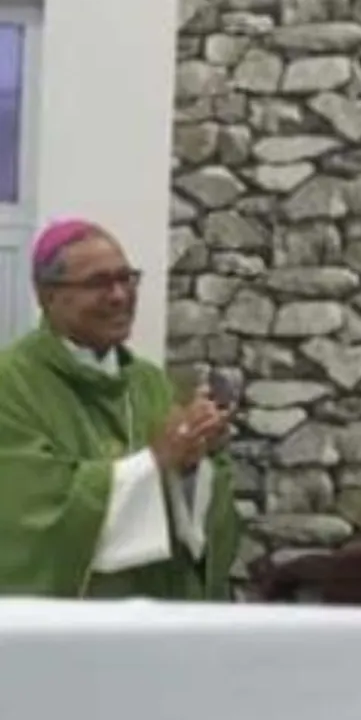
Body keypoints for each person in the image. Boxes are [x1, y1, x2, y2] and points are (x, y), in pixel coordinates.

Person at [0, 218, 240, 599]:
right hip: (66, 625)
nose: (119, 295)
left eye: (126, 278)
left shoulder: (149, 382)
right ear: (47, 295)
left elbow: (197, 535)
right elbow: (28, 518)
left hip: (152, 615)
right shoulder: (12, 384)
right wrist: (156, 461)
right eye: (98, 283)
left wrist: (195, 463)